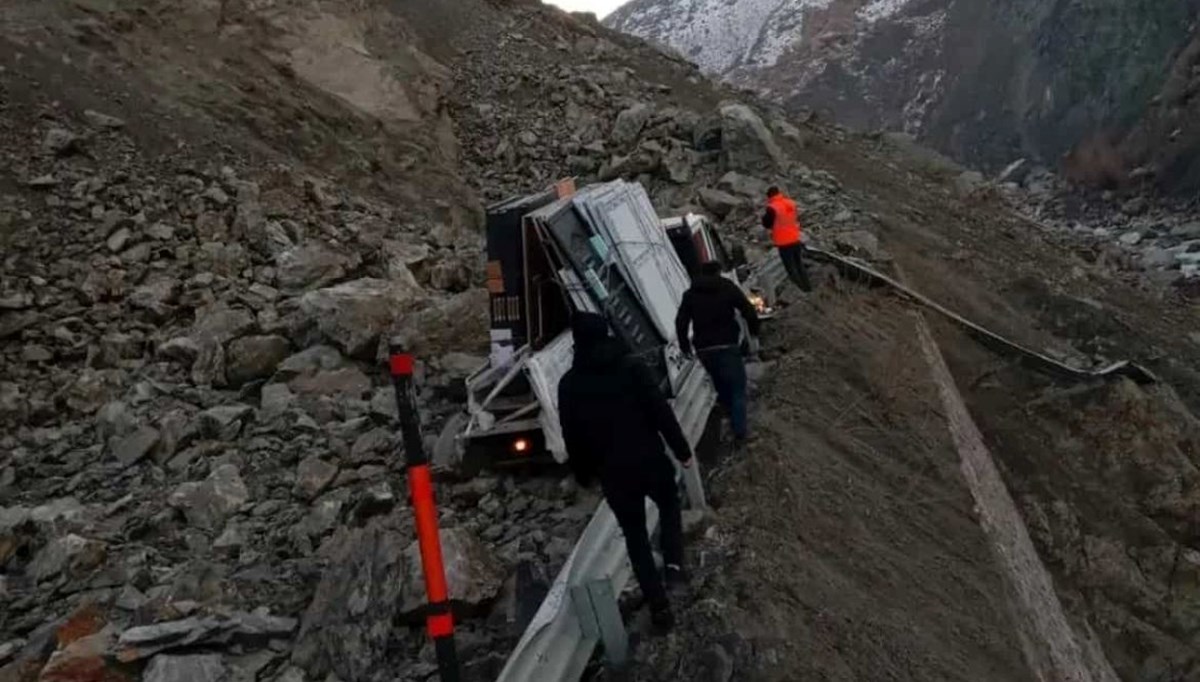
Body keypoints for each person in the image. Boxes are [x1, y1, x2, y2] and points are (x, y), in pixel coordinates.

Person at [558, 312, 694, 631]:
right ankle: (674, 568)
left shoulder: (569, 385)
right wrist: (682, 450)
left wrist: (584, 475)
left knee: (635, 539)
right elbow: (659, 411)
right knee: (670, 505)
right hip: (649, 458)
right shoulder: (631, 366)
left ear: (576, 343)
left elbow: (572, 437)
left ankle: (659, 606)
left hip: (613, 473)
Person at [675, 261, 761, 446]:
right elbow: (747, 309)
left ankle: (731, 424)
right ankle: (741, 433)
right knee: (737, 388)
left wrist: (684, 346)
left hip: (704, 349)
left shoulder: (690, 294)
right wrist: (754, 331)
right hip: (727, 344)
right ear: (718, 272)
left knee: (722, 388)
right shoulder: (726, 287)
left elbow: (681, 321)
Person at [763, 186, 813, 291]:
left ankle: (799, 291)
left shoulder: (772, 207)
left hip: (784, 243)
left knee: (791, 269)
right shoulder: (791, 203)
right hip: (795, 238)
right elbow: (795, 217)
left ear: (769, 196)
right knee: (799, 265)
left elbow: (767, 223)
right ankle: (808, 288)